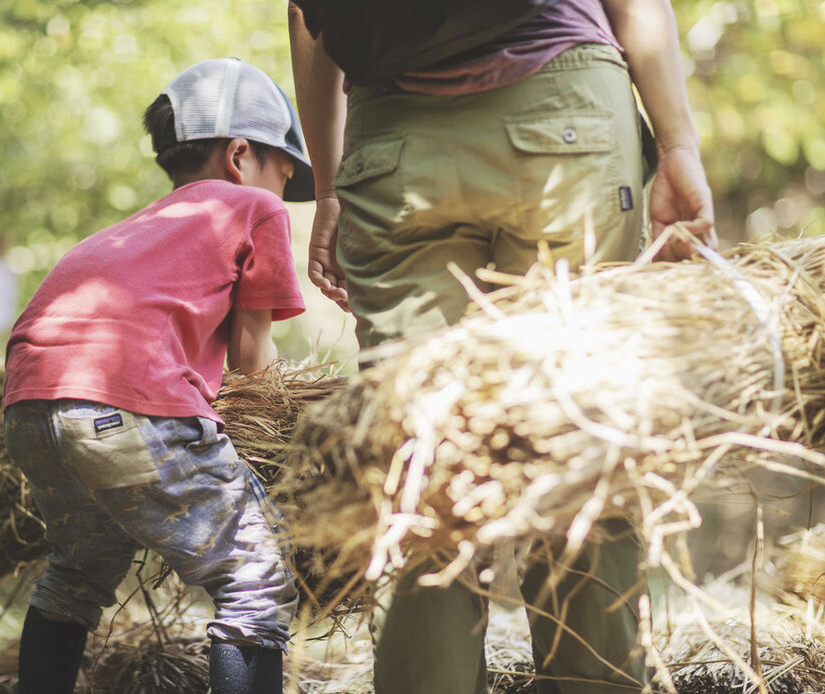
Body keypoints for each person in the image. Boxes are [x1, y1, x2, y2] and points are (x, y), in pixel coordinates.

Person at [288, 1, 716, 693]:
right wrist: (678, 147)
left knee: (419, 457)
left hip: (395, 145)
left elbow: (309, 18)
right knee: (578, 431)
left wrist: (331, 185)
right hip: (563, 114)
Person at [2, 57, 314, 694]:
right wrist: (288, 446)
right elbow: (251, 360)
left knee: (77, 572)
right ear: (239, 156)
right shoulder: (253, 207)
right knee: (255, 571)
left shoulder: (131, 232)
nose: (283, 187)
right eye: (284, 169)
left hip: (28, 404)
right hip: (127, 402)